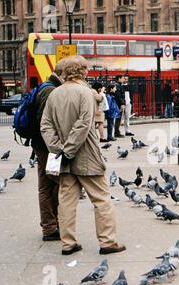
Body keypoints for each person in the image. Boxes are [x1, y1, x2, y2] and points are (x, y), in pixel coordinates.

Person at [41, 55, 126, 256]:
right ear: (82, 71)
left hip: (62, 157)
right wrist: (69, 150)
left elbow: (46, 125)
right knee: (101, 199)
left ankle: (68, 243)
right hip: (85, 154)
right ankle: (107, 242)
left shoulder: (55, 94)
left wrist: (58, 150)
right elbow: (84, 124)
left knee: (66, 201)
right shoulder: (85, 92)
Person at [31, 61, 65, 242]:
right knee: (53, 184)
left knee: (47, 184)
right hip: (47, 146)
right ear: (62, 73)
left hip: (41, 145)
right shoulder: (51, 90)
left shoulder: (46, 87)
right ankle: (51, 226)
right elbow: (46, 123)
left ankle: (49, 223)